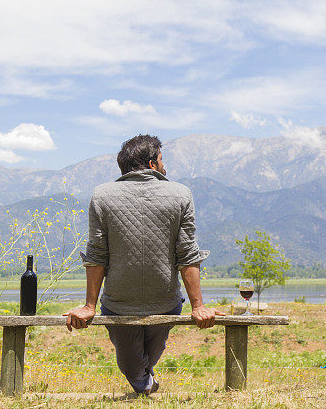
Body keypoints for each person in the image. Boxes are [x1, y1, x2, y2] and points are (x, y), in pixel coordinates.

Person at [63, 134, 224, 396]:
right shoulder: (180, 193)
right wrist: (198, 307)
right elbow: (187, 255)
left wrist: (90, 305)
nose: (165, 166)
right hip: (146, 303)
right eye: (162, 159)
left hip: (131, 303)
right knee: (137, 364)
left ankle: (144, 384)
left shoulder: (102, 195)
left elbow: (97, 256)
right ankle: (147, 385)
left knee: (134, 361)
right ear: (151, 163)